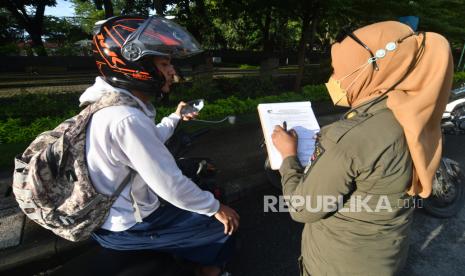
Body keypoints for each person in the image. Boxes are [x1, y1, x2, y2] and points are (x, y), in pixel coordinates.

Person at [272, 21, 453, 275]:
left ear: (372, 69)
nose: (333, 79)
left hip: (338, 265)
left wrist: (289, 156)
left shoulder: (352, 137)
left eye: (338, 70)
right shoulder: (411, 115)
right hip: (384, 255)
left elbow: (302, 208)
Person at [82, 15, 239, 276]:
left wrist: (176, 116)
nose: (172, 72)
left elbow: (149, 140)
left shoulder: (113, 105)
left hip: (118, 211)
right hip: (129, 224)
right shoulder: (126, 118)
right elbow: (170, 185)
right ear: (133, 60)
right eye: (165, 63)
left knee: (201, 193)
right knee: (223, 227)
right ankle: (211, 272)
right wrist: (217, 209)